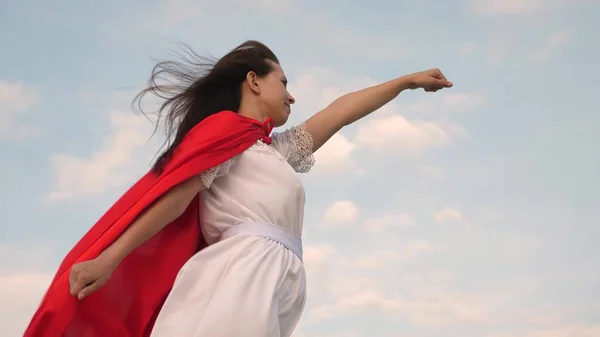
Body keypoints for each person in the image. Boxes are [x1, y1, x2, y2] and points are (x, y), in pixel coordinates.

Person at [24, 40, 453, 337]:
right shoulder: (227, 136)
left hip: (280, 277)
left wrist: (404, 82)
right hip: (240, 270)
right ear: (254, 81)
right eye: (283, 82)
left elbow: (339, 112)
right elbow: (175, 200)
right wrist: (110, 258)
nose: (291, 96)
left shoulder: (273, 151)